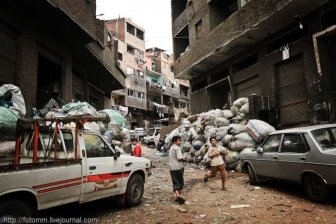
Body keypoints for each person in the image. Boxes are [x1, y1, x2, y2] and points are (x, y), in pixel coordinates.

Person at [168, 136, 186, 204]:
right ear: (175, 141)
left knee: (175, 182)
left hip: (172, 168)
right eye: (179, 140)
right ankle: (178, 196)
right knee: (180, 182)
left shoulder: (171, 147)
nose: (180, 142)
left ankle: (177, 196)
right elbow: (179, 158)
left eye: (180, 140)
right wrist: (184, 158)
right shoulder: (177, 148)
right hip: (178, 167)